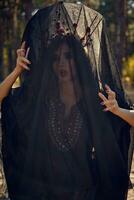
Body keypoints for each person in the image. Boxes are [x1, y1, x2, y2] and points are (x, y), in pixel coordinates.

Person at [1, 2, 131, 200]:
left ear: (78, 60)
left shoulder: (97, 100)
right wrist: (16, 71)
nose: (61, 63)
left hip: (85, 194)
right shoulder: (42, 100)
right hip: (45, 193)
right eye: (56, 57)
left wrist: (117, 111)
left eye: (68, 57)